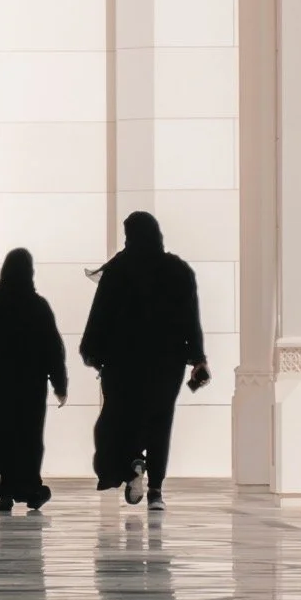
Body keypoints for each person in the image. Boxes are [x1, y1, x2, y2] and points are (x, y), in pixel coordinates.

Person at [81, 212, 209, 509]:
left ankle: (132, 466)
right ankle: (156, 490)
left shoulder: (118, 269)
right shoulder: (178, 270)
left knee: (124, 417)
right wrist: (198, 358)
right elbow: (190, 318)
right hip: (166, 362)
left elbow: (100, 317)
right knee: (160, 421)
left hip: (123, 362)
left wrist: (93, 354)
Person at [0, 248, 68, 514]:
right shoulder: (38, 306)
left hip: (0, 381)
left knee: (3, 433)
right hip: (31, 384)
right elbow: (53, 348)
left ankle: (7, 491)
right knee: (29, 435)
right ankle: (31, 488)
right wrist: (59, 385)